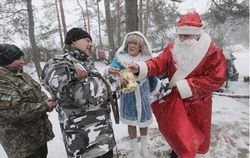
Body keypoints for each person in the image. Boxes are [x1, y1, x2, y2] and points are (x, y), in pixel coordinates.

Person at [128, 12, 226, 158]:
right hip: (177, 100)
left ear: (197, 35)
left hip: (200, 103)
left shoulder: (213, 52)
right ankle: (178, 151)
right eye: (180, 35)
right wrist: (141, 67)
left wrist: (189, 86)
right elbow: (158, 63)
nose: (181, 39)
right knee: (177, 131)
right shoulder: (172, 48)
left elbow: (216, 78)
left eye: (186, 36)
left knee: (196, 135)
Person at [41, 27, 116, 158]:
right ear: (73, 41)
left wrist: (114, 87)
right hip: (83, 145)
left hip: (103, 137)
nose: (91, 44)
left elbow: (100, 94)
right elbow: (78, 95)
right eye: (87, 40)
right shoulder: (58, 63)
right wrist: (112, 83)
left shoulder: (85, 63)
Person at [107, 31, 160, 158]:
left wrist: (155, 90)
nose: (131, 46)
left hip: (143, 96)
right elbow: (111, 73)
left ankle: (143, 145)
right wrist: (111, 72)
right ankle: (135, 148)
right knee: (131, 122)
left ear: (140, 45)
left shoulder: (147, 59)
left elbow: (153, 76)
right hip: (128, 96)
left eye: (134, 43)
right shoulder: (120, 58)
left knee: (144, 123)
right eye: (129, 43)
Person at [0, 44, 55, 158]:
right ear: (6, 60)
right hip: (21, 145)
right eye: (17, 59)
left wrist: (46, 99)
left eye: (22, 58)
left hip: (37, 138)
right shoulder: (2, 82)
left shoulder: (21, 74)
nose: (22, 62)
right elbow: (14, 111)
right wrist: (44, 106)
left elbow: (37, 90)